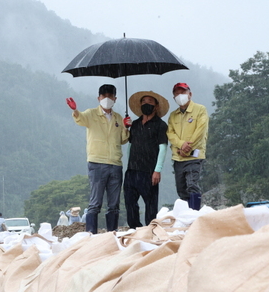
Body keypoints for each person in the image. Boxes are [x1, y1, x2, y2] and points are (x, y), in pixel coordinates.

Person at [66, 84, 130, 233]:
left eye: (110, 96)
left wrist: (126, 127)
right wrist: (75, 110)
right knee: (95, 203)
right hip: (97, 162)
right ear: (98, 98)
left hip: (115, 163)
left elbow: (123, 139)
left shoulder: (118, 118)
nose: (107, 99)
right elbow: (80, 119)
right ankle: (91, 235)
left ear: (115, 98)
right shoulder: (91, 114)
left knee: (114, 204)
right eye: (104, 96)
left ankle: (111, 234)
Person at [124, 90, 169, 228]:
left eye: (150, 102)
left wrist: (157, 170)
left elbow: (163, 148)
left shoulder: (160, 125)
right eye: (143, 102)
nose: (146, 104)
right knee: (130, 204)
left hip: (149, 172)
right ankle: (134, 229)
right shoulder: (135, 124)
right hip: (132, 171)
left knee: (150, 206)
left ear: (156, 106)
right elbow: (130, 145)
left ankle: (150, 232)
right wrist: (126, 128)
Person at [166, 82, 209, 210]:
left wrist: (188, 147)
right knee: (181, 188)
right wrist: (181, 145)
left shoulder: (200, 110)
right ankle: (186, 214)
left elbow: (201, 131)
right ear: (174, 97)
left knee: (192, 184)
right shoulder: (173, 115)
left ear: (190, 94)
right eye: (177, 94)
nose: (180, 96)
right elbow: (170, 133)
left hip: (194, 155)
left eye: (183, 92)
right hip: (178, 157)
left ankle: (195, 213)